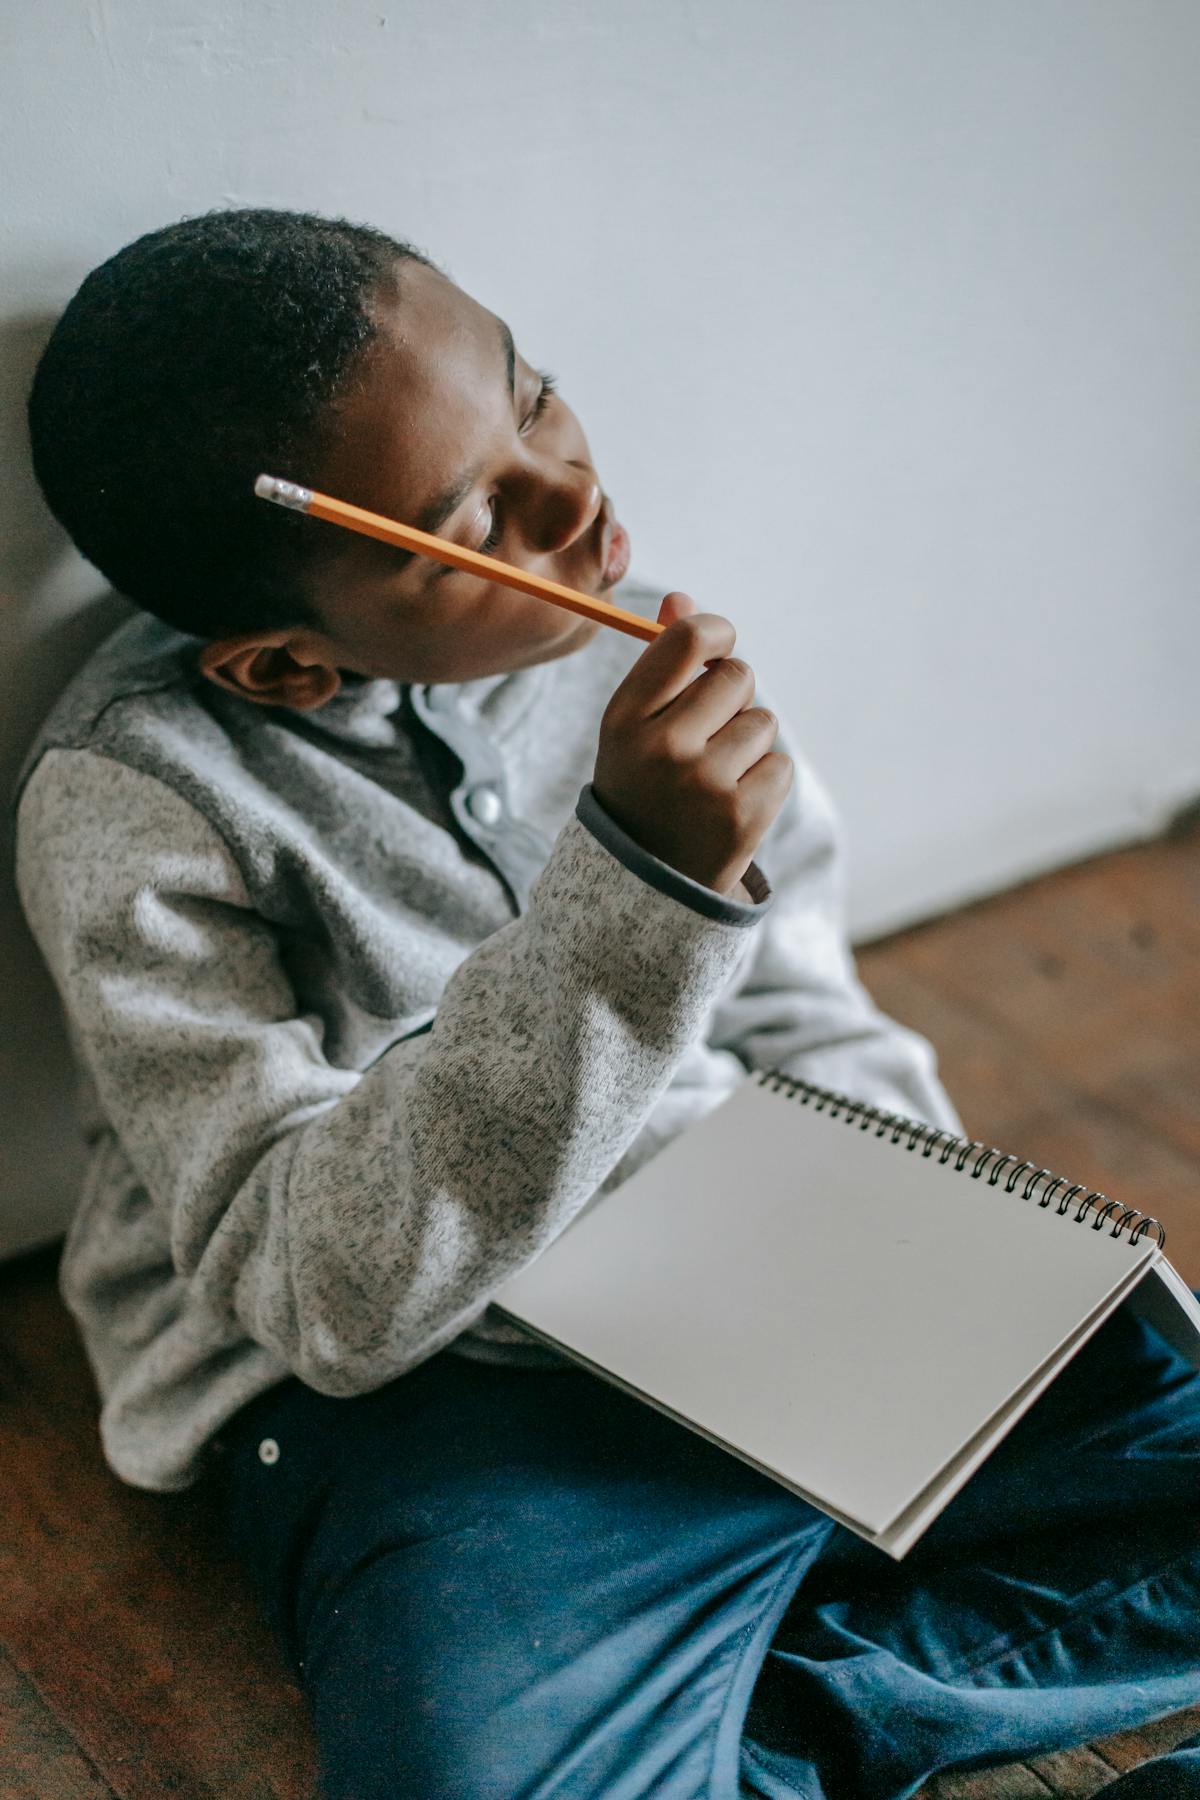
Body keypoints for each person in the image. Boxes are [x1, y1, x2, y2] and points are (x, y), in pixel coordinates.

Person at [14, 208, 1199, 1800]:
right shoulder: (141, 804)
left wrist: (946, 1287)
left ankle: (776, 1726)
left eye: (535, 392)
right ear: (285, 670)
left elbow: (799, 1006)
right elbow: (321, 1298)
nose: (576, 497)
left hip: (771, 1298)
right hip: (454, 1412)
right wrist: (643, 885)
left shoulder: (610, 647)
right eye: (472, 518)